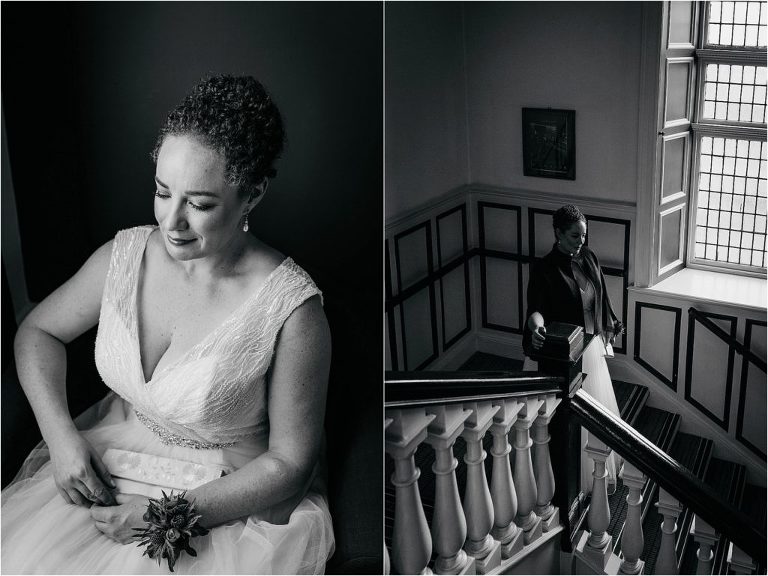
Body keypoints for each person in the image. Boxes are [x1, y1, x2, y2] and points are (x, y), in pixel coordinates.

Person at [2, 75, 334, 574]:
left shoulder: (292, 310)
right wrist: (61, 437)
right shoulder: (124, 256)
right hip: (110, 460)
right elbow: (37, 333)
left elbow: (290, 464)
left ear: (253, 194)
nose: (170, 221)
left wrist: (169, 515)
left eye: (199, 204)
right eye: (162, 192)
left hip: (222, 501)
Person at [522, 204, 624, 495]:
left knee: (594, 416)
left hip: (589, 347)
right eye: (574, 236)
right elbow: (536, 309)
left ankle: (594, 476)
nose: (580, 242)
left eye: (583, 235)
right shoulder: (544, 268)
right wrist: (536, 327)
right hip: (563, 353)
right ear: (558, 233)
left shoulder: (589, 257)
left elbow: (600, 295)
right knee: (559, 422)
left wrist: (611, 322)